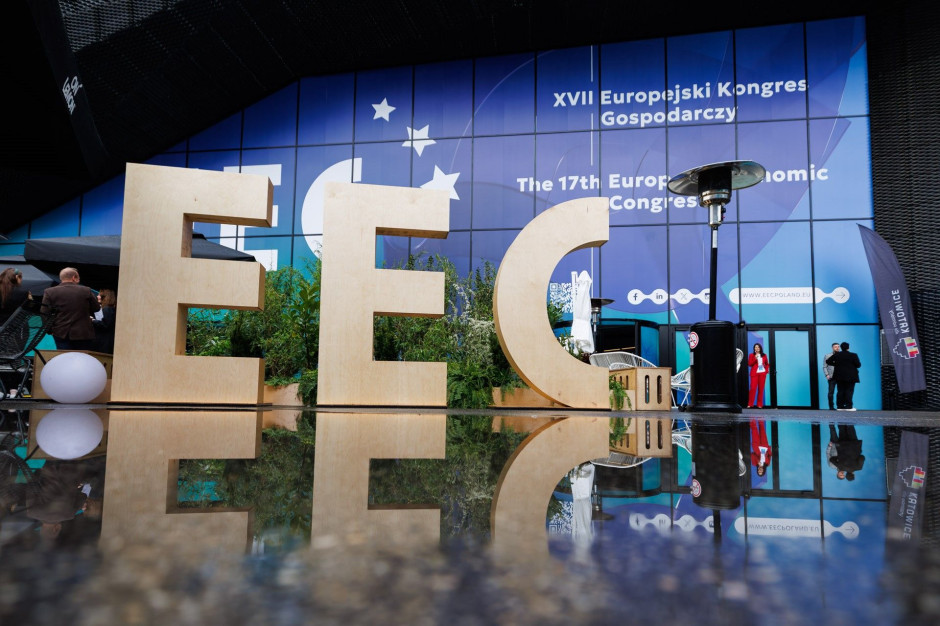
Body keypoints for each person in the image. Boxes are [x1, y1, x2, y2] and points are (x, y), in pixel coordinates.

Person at [40, 267, 100, 350]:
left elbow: (44, 313)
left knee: (65, 356)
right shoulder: (86, 290)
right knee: (81, 357)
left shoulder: (49, 292)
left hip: (60, 332)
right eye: (78, 277)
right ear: (74, 278)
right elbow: (96, 308)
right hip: (83, 333)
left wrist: (50, 330)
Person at [826, 341, 861, 411]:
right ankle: (849, 406)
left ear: (841, 348)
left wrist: (836, 364)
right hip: (851, 376)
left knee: (840, 391)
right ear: (848, 348)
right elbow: (858, 365)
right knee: (849, 391)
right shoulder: (853, 355)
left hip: (839, 376)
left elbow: (828, 361)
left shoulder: (837, 355)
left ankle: (840, 406)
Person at [92, 288, 117, 354]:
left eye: (99, 295)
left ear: (105, 297)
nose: (97, 296)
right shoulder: (110, 308)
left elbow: (105, 324)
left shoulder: (107, 309)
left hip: (104, 342)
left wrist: (93, 320)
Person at [747, 343, 770, 408]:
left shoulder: (764, 355)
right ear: (754, 348)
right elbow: (749, 364)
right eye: (755, 347)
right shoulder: (751, 355)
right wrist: (755, 358)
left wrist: (766, 371)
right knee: (753, 388)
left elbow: (767, 364)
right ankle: (750, 404)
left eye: (758, 347)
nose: (757, 348)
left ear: (760, 348)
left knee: (761, 389)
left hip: (762, 374)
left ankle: (759, 404)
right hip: (754, 373)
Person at [823, 342, 840, 410]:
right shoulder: (827, 356)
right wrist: (827, 375)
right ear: (832, 348)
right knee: (831, 392)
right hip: (831, 377)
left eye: (838, 346)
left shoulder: (842, 355)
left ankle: (839, 406)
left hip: (840, 377)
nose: (837, 348)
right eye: (835, 347)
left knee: (840, 392)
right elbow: (824, 366)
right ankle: (831, 406)